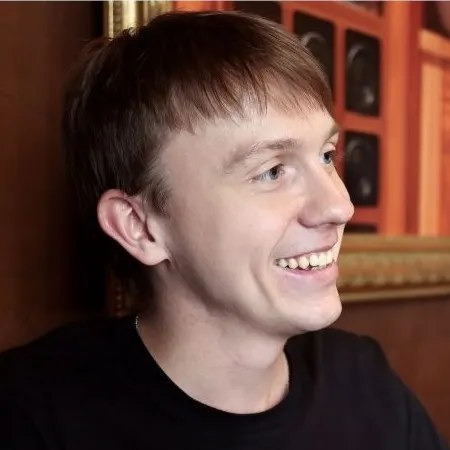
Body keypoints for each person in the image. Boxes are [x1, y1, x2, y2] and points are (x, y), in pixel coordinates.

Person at [0, 11, 447, 450]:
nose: (339, 206)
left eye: (327, 156)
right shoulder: (28, 415)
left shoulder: (366, 383)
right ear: (139, 227)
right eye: (272, 171)